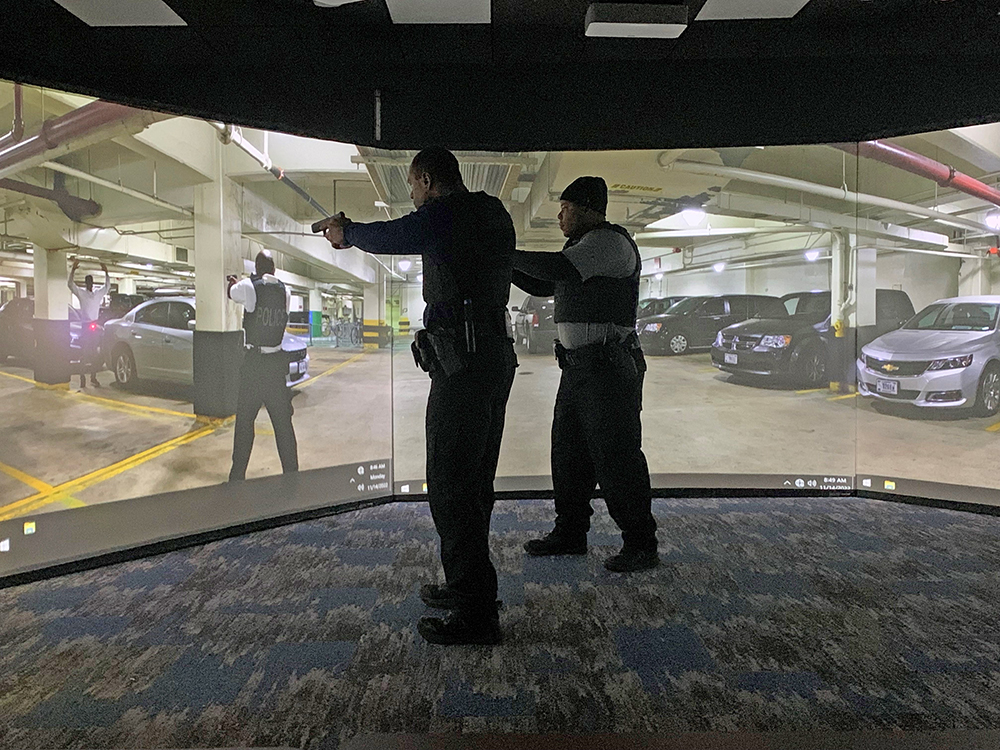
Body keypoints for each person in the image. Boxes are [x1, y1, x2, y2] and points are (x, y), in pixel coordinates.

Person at [319, 147, 516, 646]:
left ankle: (476, 614)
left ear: (428, 180)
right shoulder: (490, 212)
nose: (411, 195)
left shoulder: (446, 215)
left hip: (465, 368)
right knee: (474, 483)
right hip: (492, 360)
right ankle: (466, 586)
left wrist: (349, 232)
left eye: (412, 186)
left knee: (451, 485)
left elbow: (395, 234)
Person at [512, 176, 659, 573]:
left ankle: (641, 543)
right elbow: (543, 283)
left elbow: (555, 268)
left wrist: (502, 251)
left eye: (566, 207)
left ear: (589, 208)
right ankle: (570, 533)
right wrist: (500, 262)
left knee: (616, 457)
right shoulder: (579, 248)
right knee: (568, 454)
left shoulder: (608, 243)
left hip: (608, 369)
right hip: (578, 368)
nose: (559, 215)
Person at [227, 250, 299, 482]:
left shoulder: (249, 286)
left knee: (245, 423)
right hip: (276, 366)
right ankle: (292, 475)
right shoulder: (285, 291)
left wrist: (233, 282)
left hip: (254, 365)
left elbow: (231, 292)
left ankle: (237, 477)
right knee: (283, 425)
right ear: (274, 269)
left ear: (256, 269)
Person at [67, 259, 109, 388]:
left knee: (95, 354)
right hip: (85, 327)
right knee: (85, 353)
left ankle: (93, 377)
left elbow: (107, 286)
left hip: (94, 326)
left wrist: (106, 272)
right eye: (88, 282)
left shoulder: (97, 294)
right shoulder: (81, 293)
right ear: (86, 283)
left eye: (91, 282)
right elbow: (70, 285)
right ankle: (82, 377)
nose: (90, 284)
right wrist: (73, 270)